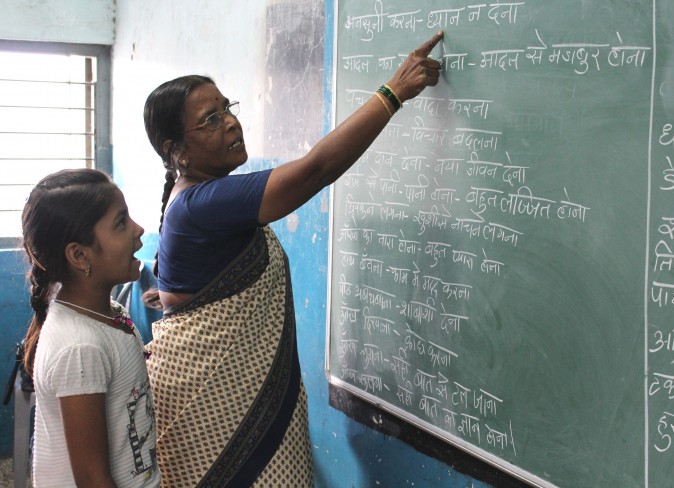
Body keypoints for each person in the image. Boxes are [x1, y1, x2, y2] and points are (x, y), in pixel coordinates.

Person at [141, 30, 444, 487]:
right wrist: (395, 91)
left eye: (228, 109)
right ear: (176, 151)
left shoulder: (196, 200)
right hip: (216, 407)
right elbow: (316, 170)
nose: (230, 123)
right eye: (210, 119)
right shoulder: (202, 203)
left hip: (230, 396)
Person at [21, 168, 161, 487]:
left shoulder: (109, 312)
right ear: (80, 256)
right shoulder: (80, 348)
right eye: (121, 222)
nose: (138, 230)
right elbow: (93, 479)